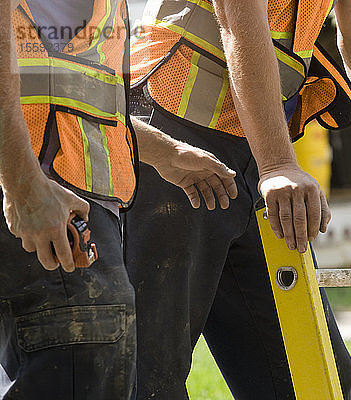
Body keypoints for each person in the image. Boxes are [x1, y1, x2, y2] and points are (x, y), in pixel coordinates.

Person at [126, 0, 351, 398]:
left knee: (311, 375)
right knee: (149, 377)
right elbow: (241, 21)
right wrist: (277, 165)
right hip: (171, 137)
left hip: (252, 152)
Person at [0, 1, 237, 399]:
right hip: (49, 207)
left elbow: (70, 90)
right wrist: (23, 183)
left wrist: (164, 152)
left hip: (52, 202)